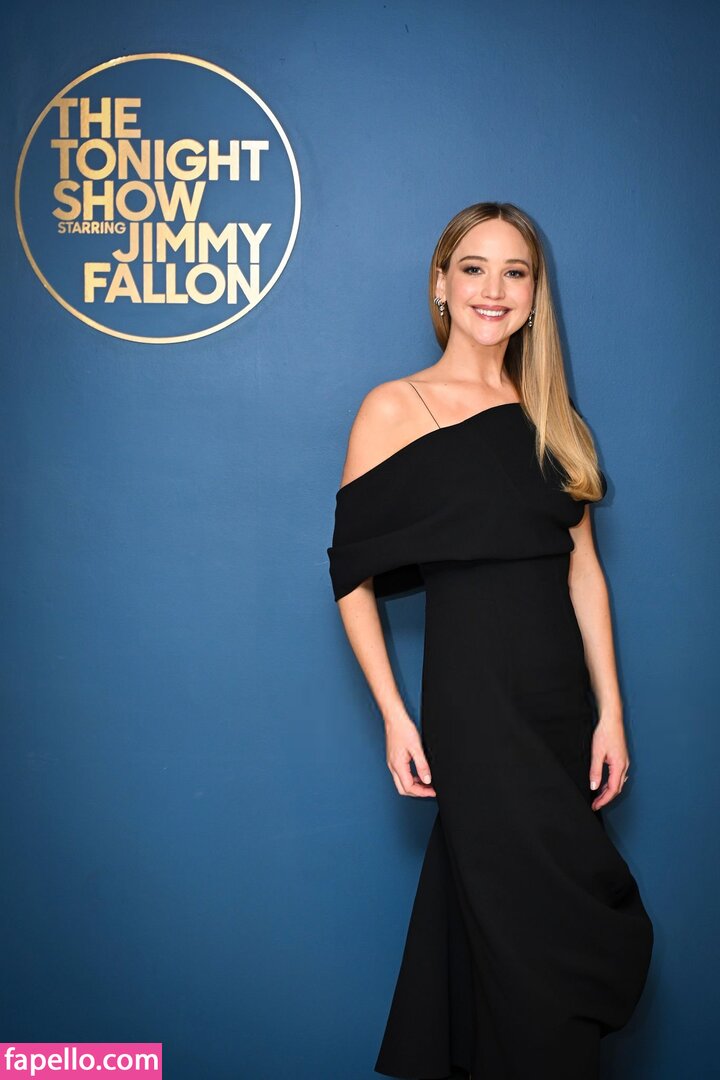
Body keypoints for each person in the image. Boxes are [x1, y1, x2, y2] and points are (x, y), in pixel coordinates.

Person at [326, 202, 653, 1080]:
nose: (493, 289)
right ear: (441, 284)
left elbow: (585, 574)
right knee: (528, 934)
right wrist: (394, 716)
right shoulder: (394, 407)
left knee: (511, 929)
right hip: (472, 710)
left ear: (536, 296)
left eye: (516, 272)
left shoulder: (554, 417)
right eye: (474, 268)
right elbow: (350, 574)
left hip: (558, 712)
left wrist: (611, 714)